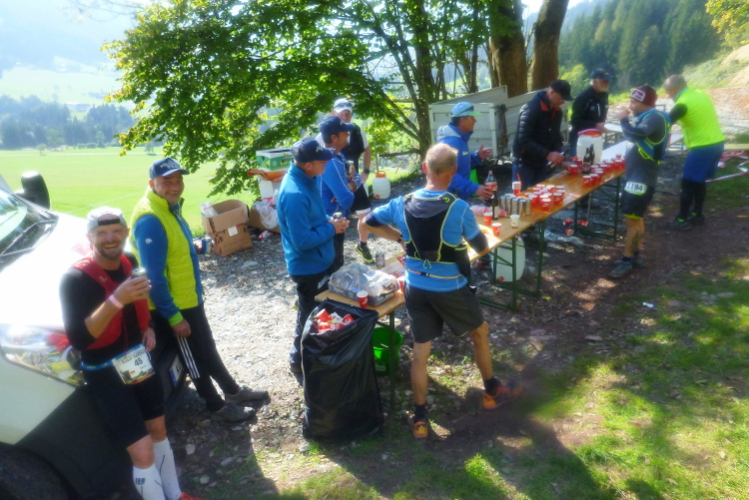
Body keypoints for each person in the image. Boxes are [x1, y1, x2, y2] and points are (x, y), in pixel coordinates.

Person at [364, 143, 523, 440]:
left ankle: (420, 419)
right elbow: (480, 247)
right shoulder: (458, 208)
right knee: (480, 332)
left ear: (425, 168)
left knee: (421, 352)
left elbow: (368, 222)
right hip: (450, 288)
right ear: (452, 172)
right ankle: (492, 391)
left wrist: (400, 239)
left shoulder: (401, 203)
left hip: (414, 287)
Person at [60, 207, 201, 500]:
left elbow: (141, 301)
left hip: (136, 360)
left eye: (116, 231)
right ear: (89, 237)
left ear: (126, 233)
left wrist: (147, 327)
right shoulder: (75, 279)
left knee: (158, 430)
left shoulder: (130, 262)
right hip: (104, 372)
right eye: (101, 233)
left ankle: (176, 495)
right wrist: (116, 299)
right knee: (142, 451)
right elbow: (80, 339)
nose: (110, 238)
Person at [130, 158, 267, 422]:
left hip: (188, 297)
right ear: (152, 183)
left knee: (206, 347)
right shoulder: (150, 218)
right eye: (167, 181)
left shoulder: (167, 208)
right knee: (193, 357)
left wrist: (196, 246)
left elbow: (170, 248)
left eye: (178, 180)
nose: (175, 186)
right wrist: (173, 317)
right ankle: (215, 406)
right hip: (174, 305)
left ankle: (233, 391)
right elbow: (154, 277)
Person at [276, 138, 349, 379]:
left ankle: (321, 355)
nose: (326, 164)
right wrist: (332, 229)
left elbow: (314, 217)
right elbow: (302, 241)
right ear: (308, 164)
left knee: (324, 312)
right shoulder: (294, 194)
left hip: (322, 259)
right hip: (307, 267)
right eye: (322, 161)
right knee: (308, 316)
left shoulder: (311, 178)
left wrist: (329, 221)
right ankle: (298, 361)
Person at [609, 86, 671, 279]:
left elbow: (633, 135)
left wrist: (623, 119)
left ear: (645, 103)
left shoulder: (655, 118)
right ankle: (635, 255)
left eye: (634, 102)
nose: (630, 105)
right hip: (637, 176)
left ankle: (627, 260)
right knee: (636, 218)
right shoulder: (649, 117)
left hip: (641, 179)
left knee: (632, 221)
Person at [317, 98, 376, 264]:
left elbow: (367, 150)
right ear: (334, 113)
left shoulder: (354, 132)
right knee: (336, 222)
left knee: (366, 216)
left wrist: (363, 174)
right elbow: (313, 164)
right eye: (342, 114)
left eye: (348, 113)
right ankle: (332, 263)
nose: (345, 116)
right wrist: (336, 187)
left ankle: (363, 245)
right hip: (335, 186)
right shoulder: (324, 138)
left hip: (351, 179)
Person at [663, 75, 725, 230]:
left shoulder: (682, 104)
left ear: (672, 89)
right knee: (699, 181)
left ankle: (681, 220)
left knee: (687, 182)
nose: (669, 96)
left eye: (668, 93)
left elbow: (664, 124)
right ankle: (697, 214)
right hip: (717, 143)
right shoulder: (700, 94)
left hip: (702, 147)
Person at [511, 80, 573, 190]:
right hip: (523, 161)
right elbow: (523, 139)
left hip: (541, 162)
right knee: (520, 196)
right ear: (552, 93)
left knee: (539, 194)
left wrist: (561, 160)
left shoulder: (557, 112)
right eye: (561, 98)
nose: (562, 102)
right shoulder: (531, 108)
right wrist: (547, 154)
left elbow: (555, 137)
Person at [318, 115, 358, 271]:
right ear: (334, 138)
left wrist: (349, 184)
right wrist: (349, 187)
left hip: (336, 222)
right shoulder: (331, 162)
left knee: (337, 262)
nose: (348, 134)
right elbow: (347, 200)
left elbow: (356, 177)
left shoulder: (338, 155)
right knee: (332, 268)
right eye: (344, 132)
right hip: (329, 223)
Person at [436, 102, 493, 201]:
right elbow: (446, 173)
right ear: (462, 121)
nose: (475, 121)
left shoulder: (460, 139)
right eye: (472, 118)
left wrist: (477, 157)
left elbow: (460, 166)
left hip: (456, 199)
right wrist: (474, 188)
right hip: (448, 201)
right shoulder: (450, 142)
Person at [569, 69, 611, 157]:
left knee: (596, 163)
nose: (607, 83)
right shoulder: (582, 98)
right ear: (594, 82)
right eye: (604, 81)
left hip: (595, 139)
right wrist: (595, 125)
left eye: (608, 81)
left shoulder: (604, 96)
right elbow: (575, 121)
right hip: (579, 141)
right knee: (579, 165)